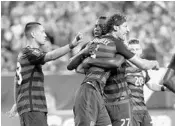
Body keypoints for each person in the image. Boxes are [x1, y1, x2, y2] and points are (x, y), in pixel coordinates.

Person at [68, 13, 159, 126]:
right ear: (115, 27)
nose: (96, 29)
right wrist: (84, 52)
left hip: (119, 99)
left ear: (107, 27)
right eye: (95, 26)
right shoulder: (91, 45)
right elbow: (75, 67)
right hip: (98, 95)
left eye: (100, 26)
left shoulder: (117, 44)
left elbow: (117, 64)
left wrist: (90, 61)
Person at [7, 22, 82, 126]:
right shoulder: (30, 52)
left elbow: (17, 81)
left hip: (28, 108)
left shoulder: (23, 54)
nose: (45, 35)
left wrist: (17, 102)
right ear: (33, 34)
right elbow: (50, 56)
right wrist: (71, 45)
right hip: (33, 107)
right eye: (42, 32)